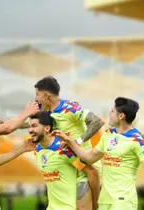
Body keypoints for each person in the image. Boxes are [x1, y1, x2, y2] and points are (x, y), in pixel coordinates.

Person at [53, 97, 144, 210]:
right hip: (105, 201)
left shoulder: (138, 139)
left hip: (123, 201)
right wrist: (70, 141)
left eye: (112, 111)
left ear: (121, 116)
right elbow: (89, 158)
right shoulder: (108, 134)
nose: (109, 114)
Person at [34, 76, 104, 210]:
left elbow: (97, 121)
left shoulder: (69, 108)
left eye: (38, 95)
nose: (36, 98)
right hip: (68, 167)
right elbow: (29, 125)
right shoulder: (46, 114)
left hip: (84, 168)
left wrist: (76, 141)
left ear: (46, 95)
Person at [29, 111, 84, 210]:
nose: (30, 130)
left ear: (47, 128)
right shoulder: (37, 150)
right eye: (30, 126)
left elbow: (88, 172)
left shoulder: (64, 149)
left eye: (34, 126)